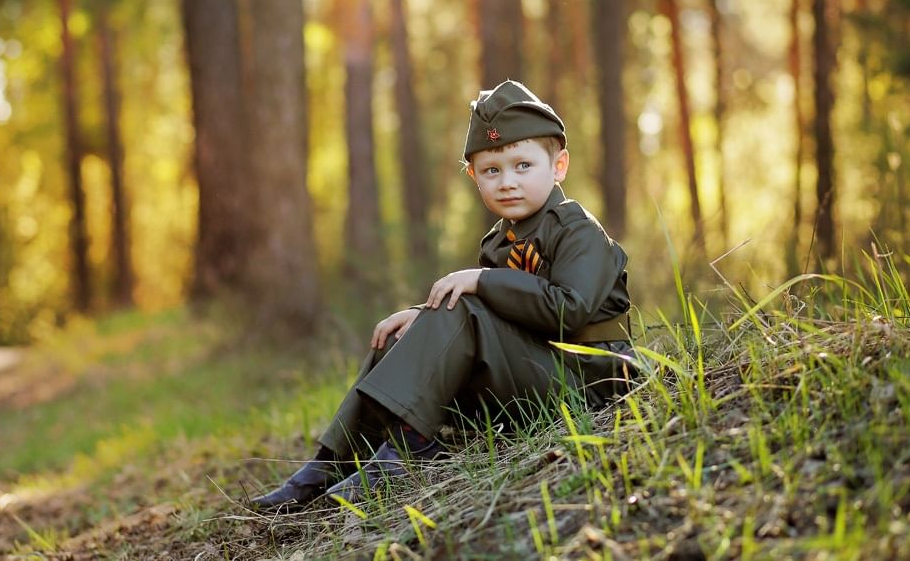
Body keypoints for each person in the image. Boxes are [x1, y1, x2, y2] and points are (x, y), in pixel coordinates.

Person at [250, 79, 634, 511]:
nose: (507, 182)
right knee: (398, 336)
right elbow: (493, 315)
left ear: (558, 166)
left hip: (589, 383)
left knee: (460, 304)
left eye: (523, 166)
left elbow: (568, 310)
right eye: (492, 170)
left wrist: (480, 282)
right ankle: (331, 461)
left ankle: (410, 448)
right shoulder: (499, 241)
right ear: (474, 177)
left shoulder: (577, 229)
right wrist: (424, 315)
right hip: (535, 368)